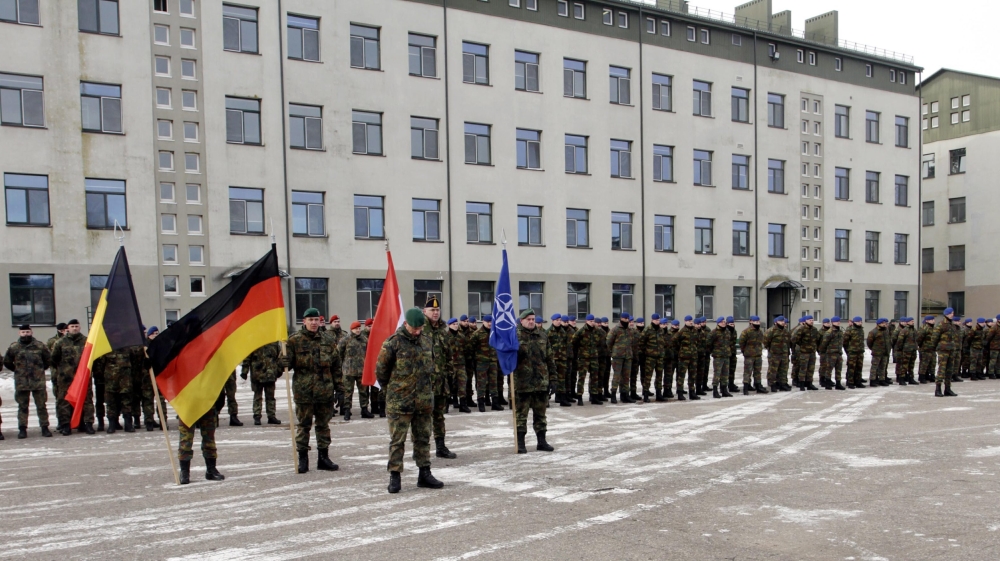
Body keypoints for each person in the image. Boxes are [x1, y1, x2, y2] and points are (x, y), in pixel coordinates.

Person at [377, 308, 445, 493]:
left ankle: (424, 473)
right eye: (414, 328)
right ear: (405, 324)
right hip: (400, 402)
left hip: (423, 401)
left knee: (423, 438)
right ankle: (395, 476)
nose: (417, 331)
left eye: (420, 328)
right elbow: (381, 372)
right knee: (397, 441)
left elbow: (432, 368)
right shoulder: (393, 343)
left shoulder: (426, 341)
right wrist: (395, 390)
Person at [285, 308, 341, 473]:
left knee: (323, 425)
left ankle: (323, 458)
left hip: (325, 391)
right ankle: (303, 459)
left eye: (316, 319)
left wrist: (340, 389)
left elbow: (336, 366)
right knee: (304, 425)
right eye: (310, 320)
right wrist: (282, 361)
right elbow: (284, 367)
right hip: (304, 392)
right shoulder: (294, 341)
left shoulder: (328, 340)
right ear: (304, 321)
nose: (314, 323)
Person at [512, 310, 555, 453]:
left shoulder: (542, 335)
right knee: (521, 415)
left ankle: (541, 442)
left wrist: (553, 379)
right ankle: (521, 443)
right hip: (522, 382)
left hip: (540, 382)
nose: (531, 321)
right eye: (528, 319)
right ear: (522, 320)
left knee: (541, 415)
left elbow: (549, 359)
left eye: (533, 319)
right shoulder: (514, 336)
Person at [422, 297, 457, 460]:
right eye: (432, 310)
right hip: (424, 384)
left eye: (437, 310)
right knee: (422, 418)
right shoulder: (420, 329)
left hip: (441, 383)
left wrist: (450, 376)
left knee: (439, 416)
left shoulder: (443, 331)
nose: (435, 313)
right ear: (425, 311)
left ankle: (440, 446)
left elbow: (449, 355)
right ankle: (421, 449)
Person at [4, 325, 52, 439]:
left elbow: (48, 359)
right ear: (19, 333)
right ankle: (22, 429)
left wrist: (39, 370)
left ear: (31, 332)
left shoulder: (40, 346)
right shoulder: (14, 347)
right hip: (22, 382)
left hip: (38, 381)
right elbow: (7, 361)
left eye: (27, 332)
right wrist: (18, 370)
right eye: (23, 332)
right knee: (22, 406)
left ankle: (45, 428)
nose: (26, 334)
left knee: (41, 406)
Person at [50, 319, 95, 435]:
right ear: (68, 328)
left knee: (87, 401)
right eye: (72, 326)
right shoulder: (60, 342)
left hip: (83, 378)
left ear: (80, 327)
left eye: (76, 326)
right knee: (64, 401)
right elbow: (54, 359)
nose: (74, 328)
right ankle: (65, 425)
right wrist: (64, 370)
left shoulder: (87, 342)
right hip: (66, 378)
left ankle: (87, 424)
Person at [241, 341, 282, 425]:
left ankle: (271, 416)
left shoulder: (274, 342)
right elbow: (247, 357)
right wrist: (244, 371)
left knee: (270, 397)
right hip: (257, 375)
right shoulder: (255, 341)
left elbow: (279, 357)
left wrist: (279, 370)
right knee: (257, 396)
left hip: (270, 374)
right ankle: (257, 416)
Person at [338, 321, 372, 421]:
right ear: (351, 329)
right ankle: (347, 410)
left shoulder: (364, 339)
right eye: (356, 329)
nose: (358, 330)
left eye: (359, 328)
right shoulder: (345, 340)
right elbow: (339, 353)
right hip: (349, 371)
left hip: (361, 370)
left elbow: (368, 353)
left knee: (364, 391)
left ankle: (364, 409)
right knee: (348, 392)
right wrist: (341, 367)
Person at [572, 315, 604, 404]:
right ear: (586, 321)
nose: (592, 322)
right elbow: (574, 341)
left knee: (594, 377)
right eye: (590, 321)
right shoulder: (581, 331)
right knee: (582, 377)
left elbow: (601, 341)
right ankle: (579, 397)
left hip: (594, 357)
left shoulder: (597, 331)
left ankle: (594, 396)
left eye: (593, 321)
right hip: (584, 357)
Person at [607, 313, 636, 404]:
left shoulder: (629, 330)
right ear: (621, 318)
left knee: (626, 376)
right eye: (624, 318)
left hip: (628, 356)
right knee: (617, 376)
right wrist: (614, 351)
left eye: (628, 318)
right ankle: (613, 395)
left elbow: (632, 342)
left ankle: (625, 395)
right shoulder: (615, 329)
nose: (626, 320)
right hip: (618, 357)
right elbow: (608, 342)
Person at [445, 317, 472, 413]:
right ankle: (446, 405)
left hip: (461, 364)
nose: (455, 325)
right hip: (450, 365)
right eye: (453, 324)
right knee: (449, 385)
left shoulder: (461, 336)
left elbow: (466, 349)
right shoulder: (445, 336)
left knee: (462, 384)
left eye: (456, 324)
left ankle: (463, 405)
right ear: (449, 325)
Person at [931, 308, 959, 397]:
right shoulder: (941, 324)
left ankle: (948, 389)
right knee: (942, 370)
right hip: (943, 350)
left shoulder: (952, 325)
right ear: (946, 314)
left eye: (953, 313)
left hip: (951, 350)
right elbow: (934, 337)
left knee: (950, 370)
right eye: (951, 313)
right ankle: (938, 389)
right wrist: (934, 347)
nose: (952, 314)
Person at [639, 315, 664, 403]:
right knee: (648, 376)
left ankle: (659, 394)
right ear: (652, 320)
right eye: (656, 320)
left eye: (658, 319)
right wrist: (645, 352)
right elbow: (641, 342)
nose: (657, 321)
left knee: (659, 376)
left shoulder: (660, 330)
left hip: (660, 356)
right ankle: (645, 393)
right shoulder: (648, 330)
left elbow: (662, 342)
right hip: (650, 357)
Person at [792, 316, 821, 391]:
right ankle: (801, 383)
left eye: (812, 320)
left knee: (811, 368)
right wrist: (801, 346)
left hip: (812, 352)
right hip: (804, 352)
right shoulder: (801, 329)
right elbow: (794, 339)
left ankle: (809, 383)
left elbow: (817, 339)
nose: (811, 321)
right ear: (806, 321)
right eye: (809, 320)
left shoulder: (814, 330)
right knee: (803, 368)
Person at [674, 316, 699, 400]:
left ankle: (692, 393)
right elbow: (674, 341)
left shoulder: (695, 331)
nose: (690, 322)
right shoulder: (682, 331)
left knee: (692, 375)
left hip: (693, 357)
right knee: (681, 375)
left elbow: (697, 341)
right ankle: (680, 393)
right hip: (684, 357)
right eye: (689, 321)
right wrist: (681, 350)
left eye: (691, 320)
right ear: (685, 322)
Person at [761, 316, 788, 392]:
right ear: (776, 322)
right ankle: (772, 384)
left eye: (783, 321)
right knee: (773, 370)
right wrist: (771, 349)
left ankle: (782, 384)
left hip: (783, 353)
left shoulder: (785, 331)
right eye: (780, 321)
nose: (782, 322)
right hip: (774, 354)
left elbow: (788, 341)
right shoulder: (771, 331)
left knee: (783, 370)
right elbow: (765, 342)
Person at [708, 317, 734, 398]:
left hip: (726, 355)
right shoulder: (714, 332)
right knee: (717, 373)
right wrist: (714, 352)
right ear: (718, 323)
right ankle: (715, 390)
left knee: (725, 374)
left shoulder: (727, 332)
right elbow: (709, 343)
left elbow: (729, 342)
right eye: (722, 322)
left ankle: (724, 390)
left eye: (724, 322)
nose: (724, 323)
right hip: (718, 356)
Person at [818, 317, 846, 390]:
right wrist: (823, 352)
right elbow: (823, 344)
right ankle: (827, 382)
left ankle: (838, 383)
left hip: (838, 353)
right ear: (833, 323)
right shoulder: (829, 332)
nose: (838, 323)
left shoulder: (840, 332)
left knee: (838, 369)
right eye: (836, 322)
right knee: (829, 369)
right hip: (831, 354)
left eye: (839, 321)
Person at [867, 318, 892, 386]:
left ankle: (882, 379)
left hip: (885, 352)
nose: (884, 324)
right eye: (883, 323)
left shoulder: (886, 330)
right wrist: (873, 349)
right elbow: (869, 342)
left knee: (883, 367)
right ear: (879, 324)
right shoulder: (873, 332)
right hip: (877, 352)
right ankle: (872, 380)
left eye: (885, 323)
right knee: (874, 367)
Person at [843, 317, 867, 388]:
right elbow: (845, 342)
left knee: (859, 367)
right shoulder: (850, 330)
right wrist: (849, 350)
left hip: (860, 352)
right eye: (858, 322)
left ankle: (858, 381)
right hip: (852, 352)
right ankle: (850, 382)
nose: (860, 323)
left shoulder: (861, 330)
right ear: (855, 322)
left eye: (861, 321)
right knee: (851, 368)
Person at [916, 316, 937, 384]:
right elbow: (919, 338)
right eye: (931, 320)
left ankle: (931, 375)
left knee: (932, 363)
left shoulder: (933, 328)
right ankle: (922, 376)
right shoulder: (924, 328)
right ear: (927, 321)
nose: (933, 321)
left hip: (932, 349)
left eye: (933, 319)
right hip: (925, 349)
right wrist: (922, 346)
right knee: (924, 364)